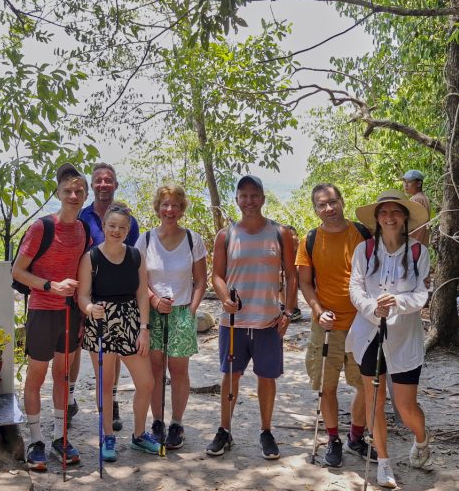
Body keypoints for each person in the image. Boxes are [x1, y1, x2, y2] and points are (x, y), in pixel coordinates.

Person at [206, 175, 297, 460]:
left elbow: (292, 276)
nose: (249, 201)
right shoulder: (226, 235)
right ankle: (224, 430)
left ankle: (266, 431)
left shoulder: (280, 233)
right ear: (237, 199)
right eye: (243, 196)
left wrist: (288, 311)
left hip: (268, 320)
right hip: (233, 322)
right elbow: (216, 275)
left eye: (254, 195)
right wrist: (224, 298)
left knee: (266, 377)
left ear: (263, 198)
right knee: (230, 377)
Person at [349, 189, 431, 489]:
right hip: (369, 334)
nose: (389, 217)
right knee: (375, 402)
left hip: (404, 336)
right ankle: (383, 462)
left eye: (395, 212)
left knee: (406, 406)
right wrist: (373, 306)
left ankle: (422, 440)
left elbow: (421, 292)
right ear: (377, 218)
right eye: (383, 212)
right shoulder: (365, 250)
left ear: (405, 217)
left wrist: (397, 302)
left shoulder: (418, 252)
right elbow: (355, 287)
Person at [11, 163, 90, 472]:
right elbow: (17, 271)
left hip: (70, 313)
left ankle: (59, 437)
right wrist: (50, 286)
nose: (74, 195)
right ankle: (35, 440)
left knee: (63, 376)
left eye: (79, 191)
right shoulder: (42, 228)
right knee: (37, 376)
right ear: (58, 192)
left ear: (85, 195)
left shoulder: (82, 230)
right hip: (43, 311)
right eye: (68, 190)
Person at [296, 183, 377, 467]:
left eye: (332, 202)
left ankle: (356, 437)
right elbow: (305, 283)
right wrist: (318, 311)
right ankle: (333, 439)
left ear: (342, 201)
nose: (328, 209)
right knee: (325, 385)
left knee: (366, 385)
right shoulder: (310, 240)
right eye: (321, 205)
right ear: (316, 209)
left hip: (363, 324)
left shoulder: (364, 234)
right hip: (326, 327)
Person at [77, 203, 161, 461]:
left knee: (146, 383)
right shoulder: (91, 257)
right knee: (105, 384)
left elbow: (142, 295)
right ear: (103, 227)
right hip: (101, 322)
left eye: (122, 228)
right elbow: (82, 295)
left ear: (128, 231)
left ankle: (138, 435)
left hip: (130, 322)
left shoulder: (136, 256)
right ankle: (107, 436)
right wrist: (90, 308)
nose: (116, 231)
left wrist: (144, 329)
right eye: (111, 226)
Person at [137, 185, 208, 450]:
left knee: (178, 370)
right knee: (154, 369)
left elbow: (201, 281)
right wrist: (154, 299)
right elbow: (139, 280)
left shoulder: (193, 240)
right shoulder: (145, 240)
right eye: (165, 205)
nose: (170, 210)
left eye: (175, 205)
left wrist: (190, 311)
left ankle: (177, 422)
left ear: (181, 209)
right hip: (152, 312)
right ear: (158, 207)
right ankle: (157, 421)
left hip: (181, 311)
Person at [74, 162, 140, 431]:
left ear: (115, 185)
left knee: (114, 353)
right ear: (92, 185)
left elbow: (131, 255)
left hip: (118, 299)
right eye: (98, 180)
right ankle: (68, 397)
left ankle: (112, 403)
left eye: (108, 180)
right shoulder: (83, 217)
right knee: (79, 344)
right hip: (86, 291)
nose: (103, 184)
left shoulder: (128, 220)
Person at [402, 170, 431, 246]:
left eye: (409, 182)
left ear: (419, 184)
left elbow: (407, 225)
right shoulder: (425, 198)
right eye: (404, 181)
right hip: (422, 244)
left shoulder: (414, 199)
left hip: (413, 244)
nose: (406, 185)